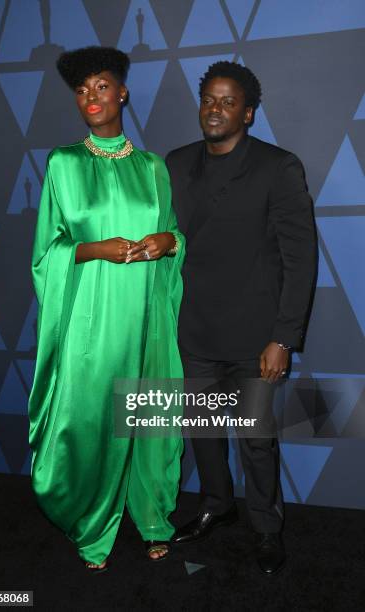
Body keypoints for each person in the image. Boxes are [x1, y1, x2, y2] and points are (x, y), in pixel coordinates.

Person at [28, 46, 185, 572]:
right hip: (91, 319)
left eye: (101, 86)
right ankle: (93, 525)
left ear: (122, 93)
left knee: (146, 414)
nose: (90, 97)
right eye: (81, 89)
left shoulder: (154, 168)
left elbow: (172, 234)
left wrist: (170, 241)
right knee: (95, 419)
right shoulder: (63, 164)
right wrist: (97, 248)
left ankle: (152, 516)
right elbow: (45, 254)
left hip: (144, 316)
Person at [165, 61, 317, 574]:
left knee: (256, 438)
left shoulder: (279, 167)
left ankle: (267, 528)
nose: (216, 109)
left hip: (257, 338)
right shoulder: (175, 164)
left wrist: (284, 337)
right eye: (209, 98)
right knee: (203, 430)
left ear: (248, 112)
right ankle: (215, 504)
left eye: (229, 101)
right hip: (194, 332)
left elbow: (300, 259)